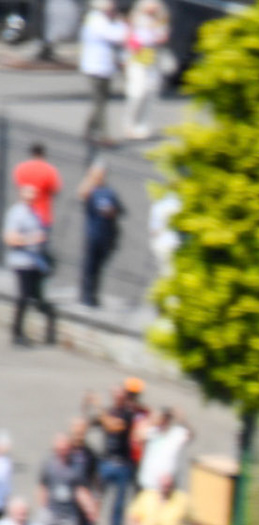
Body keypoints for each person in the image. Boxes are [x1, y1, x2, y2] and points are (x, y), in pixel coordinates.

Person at [6, 184, 56, 348]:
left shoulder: (34, 213)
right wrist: (32, 239)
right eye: (30, 192)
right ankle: (17, 333)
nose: (33, 195)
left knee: (34, 298)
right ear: (22, 193)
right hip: (21, 262)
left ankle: (44, 333)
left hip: (34, 263)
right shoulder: (17, 213)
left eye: (35, 192)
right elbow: (10, 239)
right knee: (24, 297)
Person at [38, 433, 95, 525]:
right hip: (52, 512)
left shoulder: (76, 467)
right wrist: (43, 507)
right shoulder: (48, 465)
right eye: (60, 449)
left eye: (65, 449)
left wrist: (89, 507)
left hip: (68, 515)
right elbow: (42, 485)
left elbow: (80, 489)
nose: (63, 452)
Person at [79, 0, 128, 146]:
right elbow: (116, 36)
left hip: (107, 67)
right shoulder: (95, 21)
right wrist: (122, 26)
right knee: (99, 102)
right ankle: (103, 135)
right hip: (95, 67)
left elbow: (122, 35)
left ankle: (88, 129)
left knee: (101, 100)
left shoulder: (112, 22)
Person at [122, 0, 171, 141]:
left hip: (153, 60)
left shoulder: (161, 20)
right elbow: (129, 38)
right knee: (137, 92)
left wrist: (157, 34)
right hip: (137, 59)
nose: (151, 9)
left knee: (151, 92)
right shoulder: (136, 19)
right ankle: (129, 123)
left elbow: (163, 37)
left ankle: (143, 124)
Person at [78, 162, 123, 309]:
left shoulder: (109, 192)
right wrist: (90, 177)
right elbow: (80, 194)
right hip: (93, 235)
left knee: (98, 268)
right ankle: (86, 296)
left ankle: (93, 296)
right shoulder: (91, 191)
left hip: (105, 236)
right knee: (89, 266)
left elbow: (120, 210)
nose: (98, 177)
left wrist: (111, 211)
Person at [135, 406, 191, 493]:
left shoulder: (177, 433)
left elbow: (190, 436)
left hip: (167, 486)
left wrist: (182, 420)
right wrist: (152, 420)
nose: (163, 421)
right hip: (147, 482)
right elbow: (137, 436)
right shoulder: (152, 431)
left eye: (165, 418)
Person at [11, 143, 61, 228]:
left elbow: (18, 184)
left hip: (23, 213)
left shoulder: (21, 168)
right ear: (43, 154)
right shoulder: (49, 170)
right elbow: (56, 189)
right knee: (39, 239)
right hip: (42, 215)